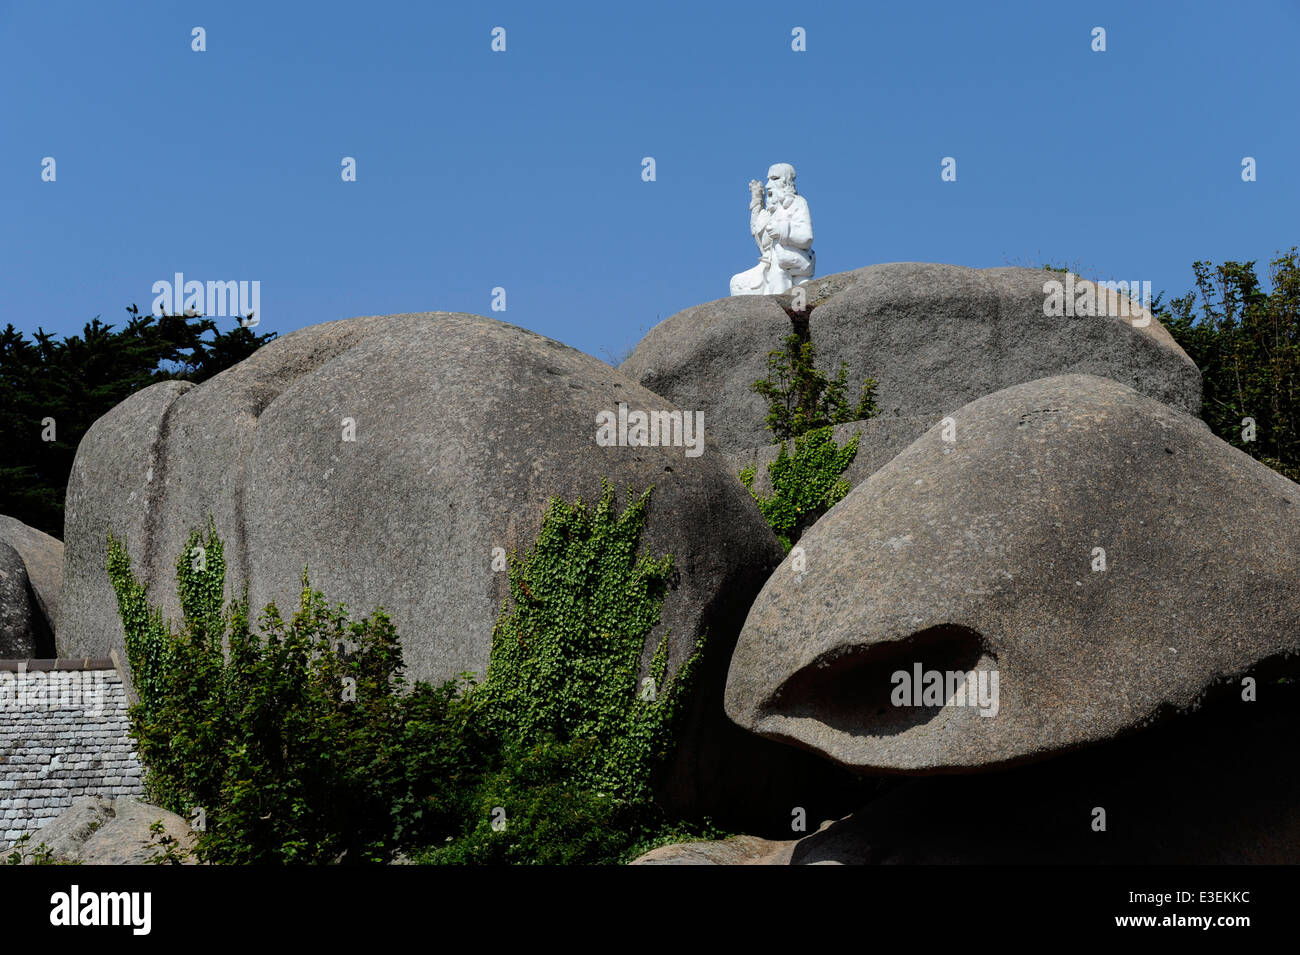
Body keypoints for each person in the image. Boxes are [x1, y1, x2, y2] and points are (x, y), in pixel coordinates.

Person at [730, 163, 815, 295]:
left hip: (792, 261)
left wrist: (782, 231)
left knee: (778, 268)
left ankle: (780, 307)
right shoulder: (770, 212)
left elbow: (806, 238)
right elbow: (758, 236)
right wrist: (757, 201)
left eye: (774, 178)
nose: (768, 184)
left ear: (787, 182)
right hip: (768, 265)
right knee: (737, 283)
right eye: (768, 179)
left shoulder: (798, 202)